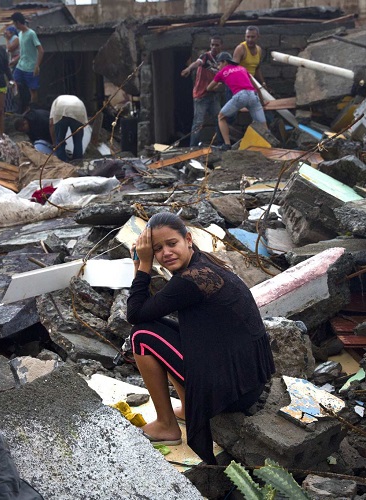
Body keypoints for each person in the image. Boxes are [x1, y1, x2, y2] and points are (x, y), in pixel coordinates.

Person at [127, 212, 275, 464]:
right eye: (157, 249)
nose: (166, 253)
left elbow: (135, 315)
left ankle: (166, 426)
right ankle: (187, 407)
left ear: (188, 239)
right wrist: (140, 263)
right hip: (246, 382)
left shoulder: (190, 281)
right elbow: (149, 311)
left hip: (232, 392)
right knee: (159, 330)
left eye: (171, 244)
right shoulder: (204, 264)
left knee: (141, 336)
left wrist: (143, 266)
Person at [206, 52, 266, 150]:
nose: (218, 66)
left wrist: (217, 86)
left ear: (224, 62)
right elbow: (257, 88)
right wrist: (262, 102)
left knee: (221, 117)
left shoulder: (222, 72)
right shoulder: (243, 69)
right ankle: (269, 146)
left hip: (240, 96)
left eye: (219, 64)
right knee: (263, 124)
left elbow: (208, 88)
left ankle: (227, 145)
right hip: (253, 95)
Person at [180, 36, 223, 148]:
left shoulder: (221, 61)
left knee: (219, 119)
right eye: (212, 44)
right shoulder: (205, 56)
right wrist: (188, 69)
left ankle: (221, 144)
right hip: (201, 95)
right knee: (198, 123)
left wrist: (218, 86)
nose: (214, 47)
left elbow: (223, 78)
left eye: (217, 45)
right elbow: (197, 63)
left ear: (221, 46)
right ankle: (192, 148)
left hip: (213, 96)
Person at [10, 12, 43, 110]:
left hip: (31, 68)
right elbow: (23, 52)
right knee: (14, 84)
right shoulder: (20, 34)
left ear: (18, 22)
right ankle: (19, 106)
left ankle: (33, 110)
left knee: (33, 90)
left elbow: (41, 50)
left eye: (14, 23)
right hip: (21, 66)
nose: (14, 25)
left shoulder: (31, 33)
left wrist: (37, 66)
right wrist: (15, 61)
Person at [49, 95, 87, 162]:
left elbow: (51, 123)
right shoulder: (77, 99)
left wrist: (54, 143)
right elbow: (84, 124)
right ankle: (77, 163)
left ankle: (62, 163)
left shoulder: (55, 102)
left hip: (60, 109)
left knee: (60, 141)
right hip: (79, 108)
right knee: (78, 141)